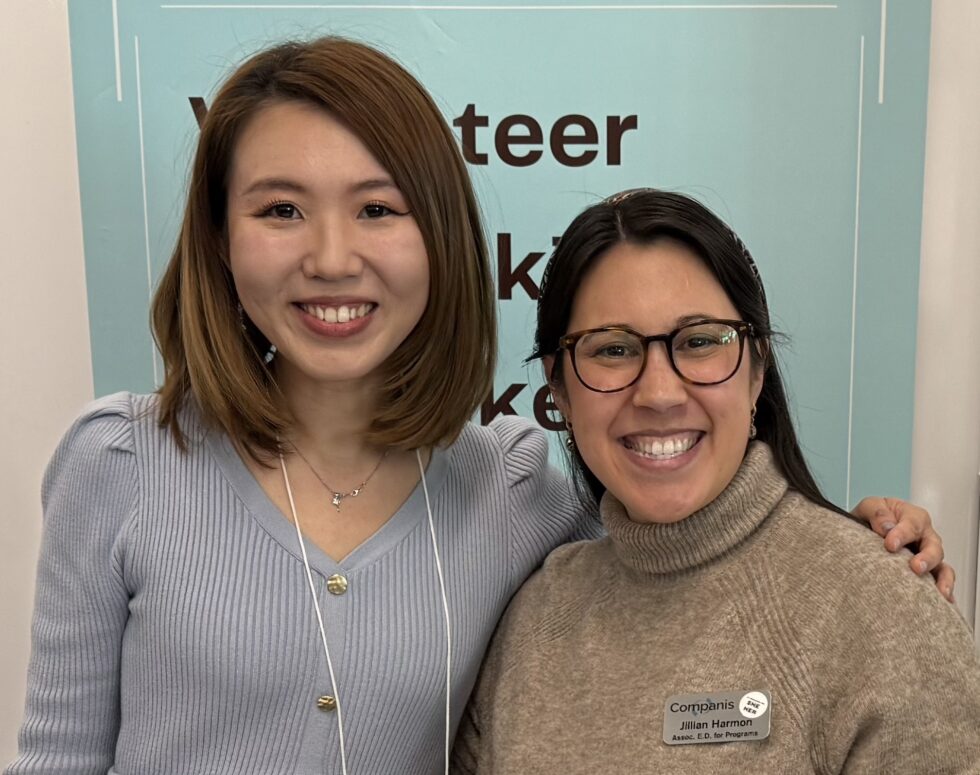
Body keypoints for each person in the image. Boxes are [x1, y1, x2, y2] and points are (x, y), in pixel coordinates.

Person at [6, 39, 953, 775]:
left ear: (442, 238)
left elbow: (684, 534)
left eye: (379, 208)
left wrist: (864, 536)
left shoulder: (508, 489)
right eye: (280, 209)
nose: (332, 257)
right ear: (218, 240)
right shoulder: (120, 465)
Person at [452, 189, 980, 774]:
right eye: (613, 350)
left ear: (757, 370)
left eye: (699, 341)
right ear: (560, 392)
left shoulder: (881, 610)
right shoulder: (532, 621)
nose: (657, 392)